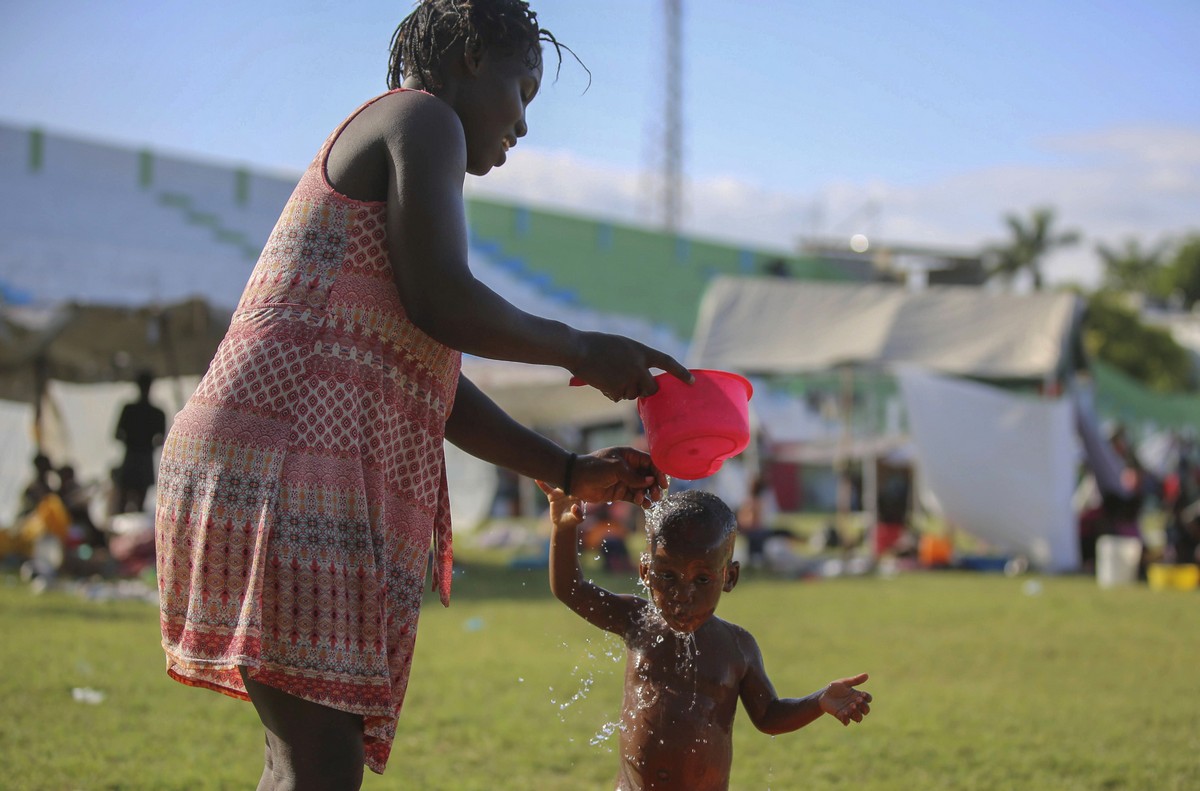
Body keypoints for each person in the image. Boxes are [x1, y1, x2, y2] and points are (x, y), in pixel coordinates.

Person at [154, 2, 692, 787]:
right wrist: (580, 347)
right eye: (524, 92)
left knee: (305, 758)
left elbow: (431, 373)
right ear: (472, 56)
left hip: (261, 456)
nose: (523, 127)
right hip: (283, 465)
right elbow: (445, 300)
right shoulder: (423, 118)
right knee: (319, 763)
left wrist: (567, 470)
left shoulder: (410, 135)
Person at [541, 483, 872, 790]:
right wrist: (564, 524)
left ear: (729, 577)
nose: (682, 595)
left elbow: (769, 715)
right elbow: (572, 589)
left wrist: (819, 700)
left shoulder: (737, 647)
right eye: (667, 575)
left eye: (701, 580)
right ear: (645, 572)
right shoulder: (637, 621)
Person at [114, 370, 166, 513]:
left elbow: (117, 435)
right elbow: (161, 440)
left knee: (126, 503)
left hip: (136, 458)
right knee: (128, 502)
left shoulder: (132, 410)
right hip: (140, 459)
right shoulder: (155, 413)